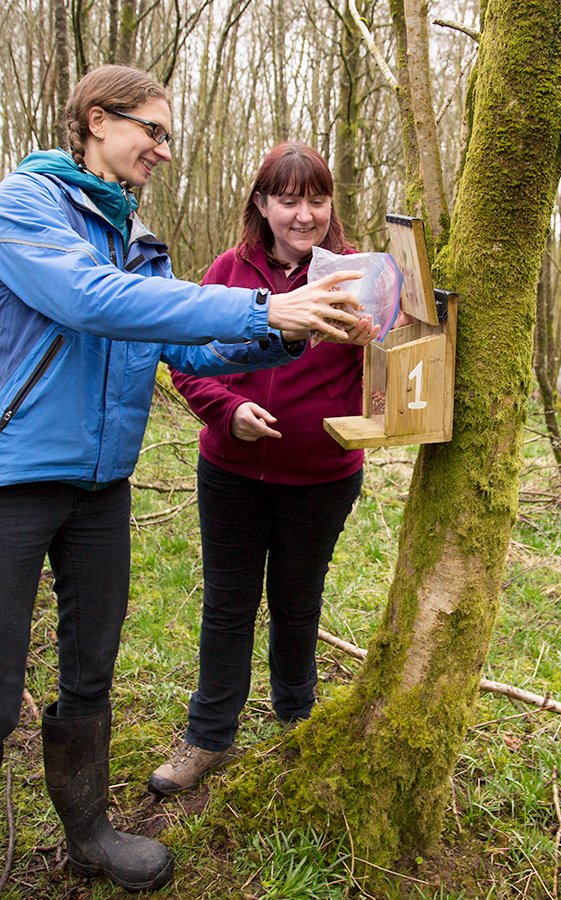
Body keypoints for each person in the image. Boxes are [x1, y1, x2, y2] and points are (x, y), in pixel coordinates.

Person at [0, 70, 364, 893]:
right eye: (152, 132)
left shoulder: (135, 236)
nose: (164, 151)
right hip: (16, 475)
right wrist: (264, 312)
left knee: (90, 668)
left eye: (169, 137)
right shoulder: (25, 206)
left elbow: (187, 352)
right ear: (97, 120)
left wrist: (293, 332)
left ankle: (89, 831)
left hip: (103, 485)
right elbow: (93, 301)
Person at [148, 142, 383, 798]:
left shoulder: (356, 277)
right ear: (261, 204)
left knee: (298, 602)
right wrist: (228, 412)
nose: (303, 215)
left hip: (323, 477)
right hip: (231, 473)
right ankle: (209, 737)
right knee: (228, 604)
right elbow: (185, 361)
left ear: (330, 206)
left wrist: (377, 343)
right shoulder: (228, 270)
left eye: (316, 199)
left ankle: (297, 724)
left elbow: (398, 380)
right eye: (287, 199)